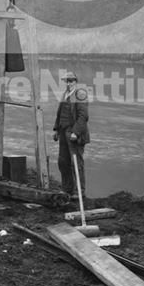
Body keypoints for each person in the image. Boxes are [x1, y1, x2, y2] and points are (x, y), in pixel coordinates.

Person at [53, 71, 89, 199]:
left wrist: (75, 132)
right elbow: (60, 113)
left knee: (76, 164)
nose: (68, 83)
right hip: (63, 133)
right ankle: (67, 189)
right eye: (66, 81)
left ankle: (79, 192)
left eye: (71, 81)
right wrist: (56, 129)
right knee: (63, 162)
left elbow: (83, 117)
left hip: (74, 134)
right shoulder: (65, 94)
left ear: (76, 81)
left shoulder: (80, 94)